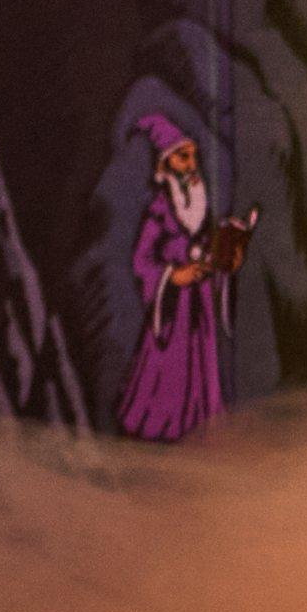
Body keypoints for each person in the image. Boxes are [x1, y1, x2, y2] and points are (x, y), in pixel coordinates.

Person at [117, 108, 246, 442]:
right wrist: (173, 277)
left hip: (199, 303)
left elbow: (205, 244)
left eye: (193, 156)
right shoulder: (159, 211)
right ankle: (164, 429)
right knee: (167, 372)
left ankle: (200, 427)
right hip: (174, 308)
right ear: (166, 163)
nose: (191, 164)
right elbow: (142, 261)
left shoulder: (200, 206)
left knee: (202, 367)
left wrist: (226, 257)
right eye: (183, 157)